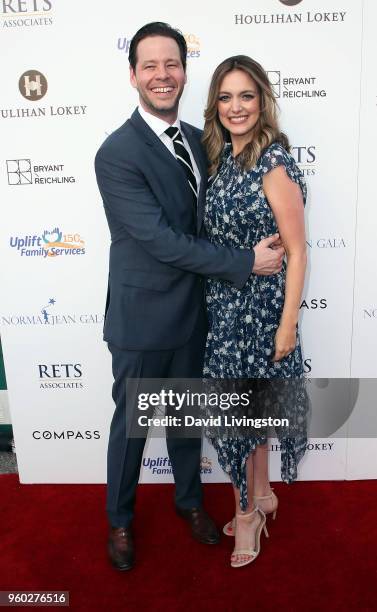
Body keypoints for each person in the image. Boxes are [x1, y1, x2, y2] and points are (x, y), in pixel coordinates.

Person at [95, 24, 284, 571]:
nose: (162, 75)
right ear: (133, 75)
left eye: (171, 63)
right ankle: (120, 520)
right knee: (133, 425)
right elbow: (160, 240)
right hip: (143, 317)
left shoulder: (200, 144)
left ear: (183, 70)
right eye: (150, 65)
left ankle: (190, 503)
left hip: (196, 312)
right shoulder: (117, 153)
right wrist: (246, 263)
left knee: (183, 419)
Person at [202, 55, 308, 568]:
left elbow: (298, 249)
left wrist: (287, 326)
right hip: (225, 315)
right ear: (215, 105)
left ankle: (247, 516)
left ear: (262, 100)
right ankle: (260, 496)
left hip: (263, 317)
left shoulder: (273, 162)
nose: (236, 107)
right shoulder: (220, 161)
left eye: (246, 96)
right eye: (226, 97)